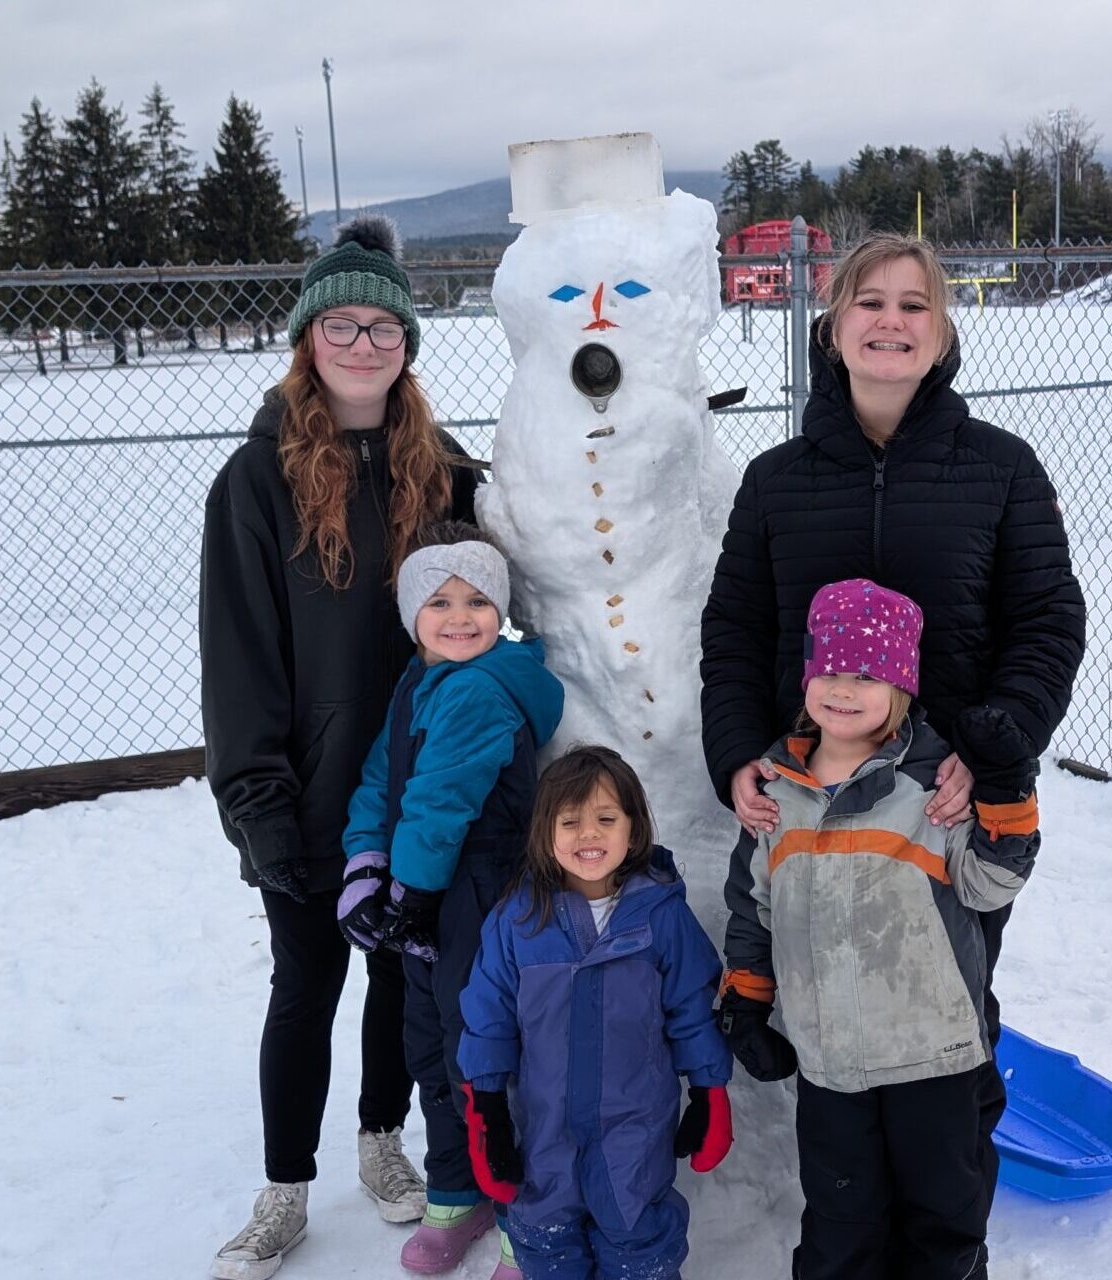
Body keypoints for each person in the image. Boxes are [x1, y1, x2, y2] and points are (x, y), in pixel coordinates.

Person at [697, 233, 1085, 1034]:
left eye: (916, 305)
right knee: (822, 1018)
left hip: (945, 806)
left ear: (942, 333)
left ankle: (952, 1151)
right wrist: (736, 750)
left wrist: (992, 752)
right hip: (813, 803)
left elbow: (1047, 621)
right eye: (869, 302)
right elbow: (734, 627)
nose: (891, 321)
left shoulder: (1001, 469)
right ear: (833, 327)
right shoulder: (775, 481)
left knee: (948, 1015)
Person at [201, 214, 474, 1280]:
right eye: (341, 325)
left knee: (402, 974)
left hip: (413, 777)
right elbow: (238, 653)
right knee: (305, 978)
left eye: (384, 328)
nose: (364, 345)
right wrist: (255, 797)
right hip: (308, 787)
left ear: (408, 342)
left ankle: (378, 1133)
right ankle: (282, 1188)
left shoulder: (439, 466)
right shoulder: (256, 479)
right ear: (308, 338)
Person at [716, 580, 1041, 1280]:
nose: (842, 688)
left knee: (942, 1222)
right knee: (841, 1227)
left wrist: (1007, 794)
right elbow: (753, 905)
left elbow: (990, 884)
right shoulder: (777, 791)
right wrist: (746, 997)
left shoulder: (933, 786)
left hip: (936, 1058)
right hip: (832, 1064)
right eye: (828, 670)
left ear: (899, 684)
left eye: (865, 674)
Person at [336, 522, 565, 1276]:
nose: (460, 616)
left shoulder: (478, 687)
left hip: (479, 890)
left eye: (477, 600)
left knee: (485, 1049)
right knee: (430, 1042)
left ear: (501, 611)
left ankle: (520, 1213)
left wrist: (408, 891)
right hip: (428, 887)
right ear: (412, 615)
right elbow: (382, 779)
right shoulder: (420, 679)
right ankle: (456, 1189)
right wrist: (366, 865)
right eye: (440, 601)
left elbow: (439, 803)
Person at [456, 745, 735, 1280]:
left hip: (635, 1129)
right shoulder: (517, 920)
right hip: (542, 1131)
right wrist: (486, 1109)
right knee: (546, 1240)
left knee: (638, 1238)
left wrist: (709, 1091)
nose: (589, 835)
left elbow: (693, 1010)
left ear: (633, 827)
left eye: (606, 819)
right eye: (571, 822)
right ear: (545, 832)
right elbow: (487, 1020)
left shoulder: (662, 915)